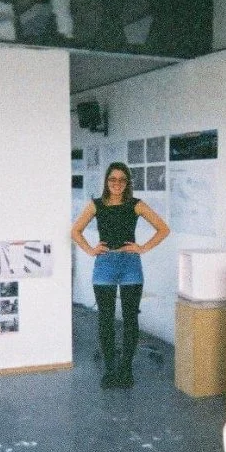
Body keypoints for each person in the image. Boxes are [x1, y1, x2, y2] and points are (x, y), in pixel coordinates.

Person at [71, 162, 170, 388]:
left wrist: (142, 248)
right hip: (104, 264)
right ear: (107, 181)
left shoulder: (136, 205)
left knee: (130, 319)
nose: (117, 183)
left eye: (122, 180)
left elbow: (163, 229)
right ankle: (109, 370)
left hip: (130, 264)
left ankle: (126, 370)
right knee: (105, 319)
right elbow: (75, 231)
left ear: (127, 183)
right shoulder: (96, 205)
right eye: (113, 179)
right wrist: (90, 250)